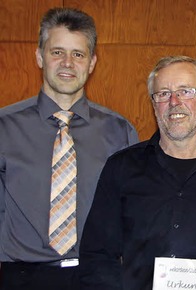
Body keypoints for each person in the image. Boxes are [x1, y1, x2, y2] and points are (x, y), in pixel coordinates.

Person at [78, 56, 196, 290]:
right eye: (163, 94)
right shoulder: (121, 168)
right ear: (154, 104)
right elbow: (97, 256)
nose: (174, 102)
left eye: (185, 91)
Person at [0, 7, 138, 290]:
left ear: (92, 63)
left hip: (99, 276)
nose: (67, 63)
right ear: (39, 57)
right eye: (57, 52)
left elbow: (132, 213)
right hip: (22, 277)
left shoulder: (120, 131)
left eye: (78, 54)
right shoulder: (4, 127)